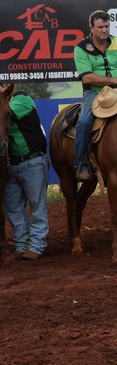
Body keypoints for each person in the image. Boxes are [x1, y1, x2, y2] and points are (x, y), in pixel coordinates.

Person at [73, 10, 117, 180]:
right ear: (91, 27)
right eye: (100, 27)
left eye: (107, 26)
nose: (104, 30)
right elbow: (87, 77)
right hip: (94, 92)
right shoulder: (81, 47)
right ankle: (81, 163)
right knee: (84, 121)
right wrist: (116, 80)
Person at [2, 89, 49, 260]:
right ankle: (22, 244)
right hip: (11, 165)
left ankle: (37, 245)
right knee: (12, 207)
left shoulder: (22, 99)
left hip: (33, 162)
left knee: (37, 205)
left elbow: (7, 112)